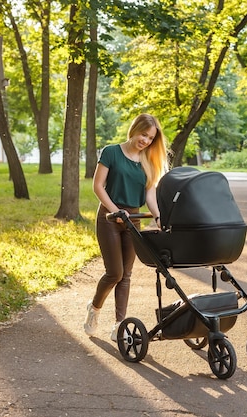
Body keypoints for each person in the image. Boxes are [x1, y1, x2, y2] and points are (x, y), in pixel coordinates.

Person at [84, 113, 168, 341]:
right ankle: (94, 308)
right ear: (134, 129)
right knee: (115, 272)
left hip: (134, 219)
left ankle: (119, 324)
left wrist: (159, 217)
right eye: (144, 134)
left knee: (127, 275)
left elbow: (150, 194)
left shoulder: (148, 161)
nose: (146, 141)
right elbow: (98, 186)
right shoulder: (111, 152)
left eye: (151, 138)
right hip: (110, 218)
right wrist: (114, 211)